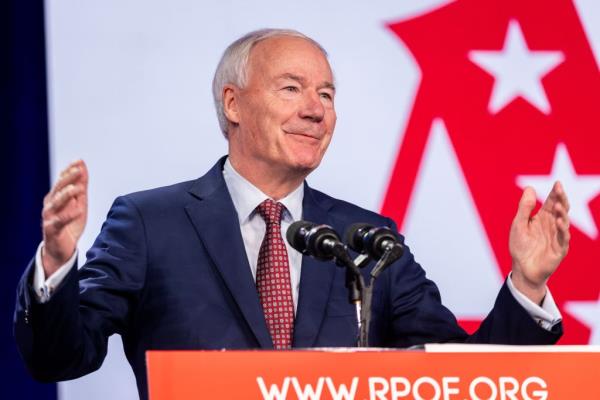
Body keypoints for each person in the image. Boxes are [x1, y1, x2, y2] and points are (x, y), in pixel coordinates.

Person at [14, 29, 570, 399]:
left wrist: (527, 282)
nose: (315, 109)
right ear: (233, 104)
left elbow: (456, 376)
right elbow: (60, 357)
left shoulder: (367, 238)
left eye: (327, 94)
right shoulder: (150, 222)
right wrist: (59, 263)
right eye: (292, 88)